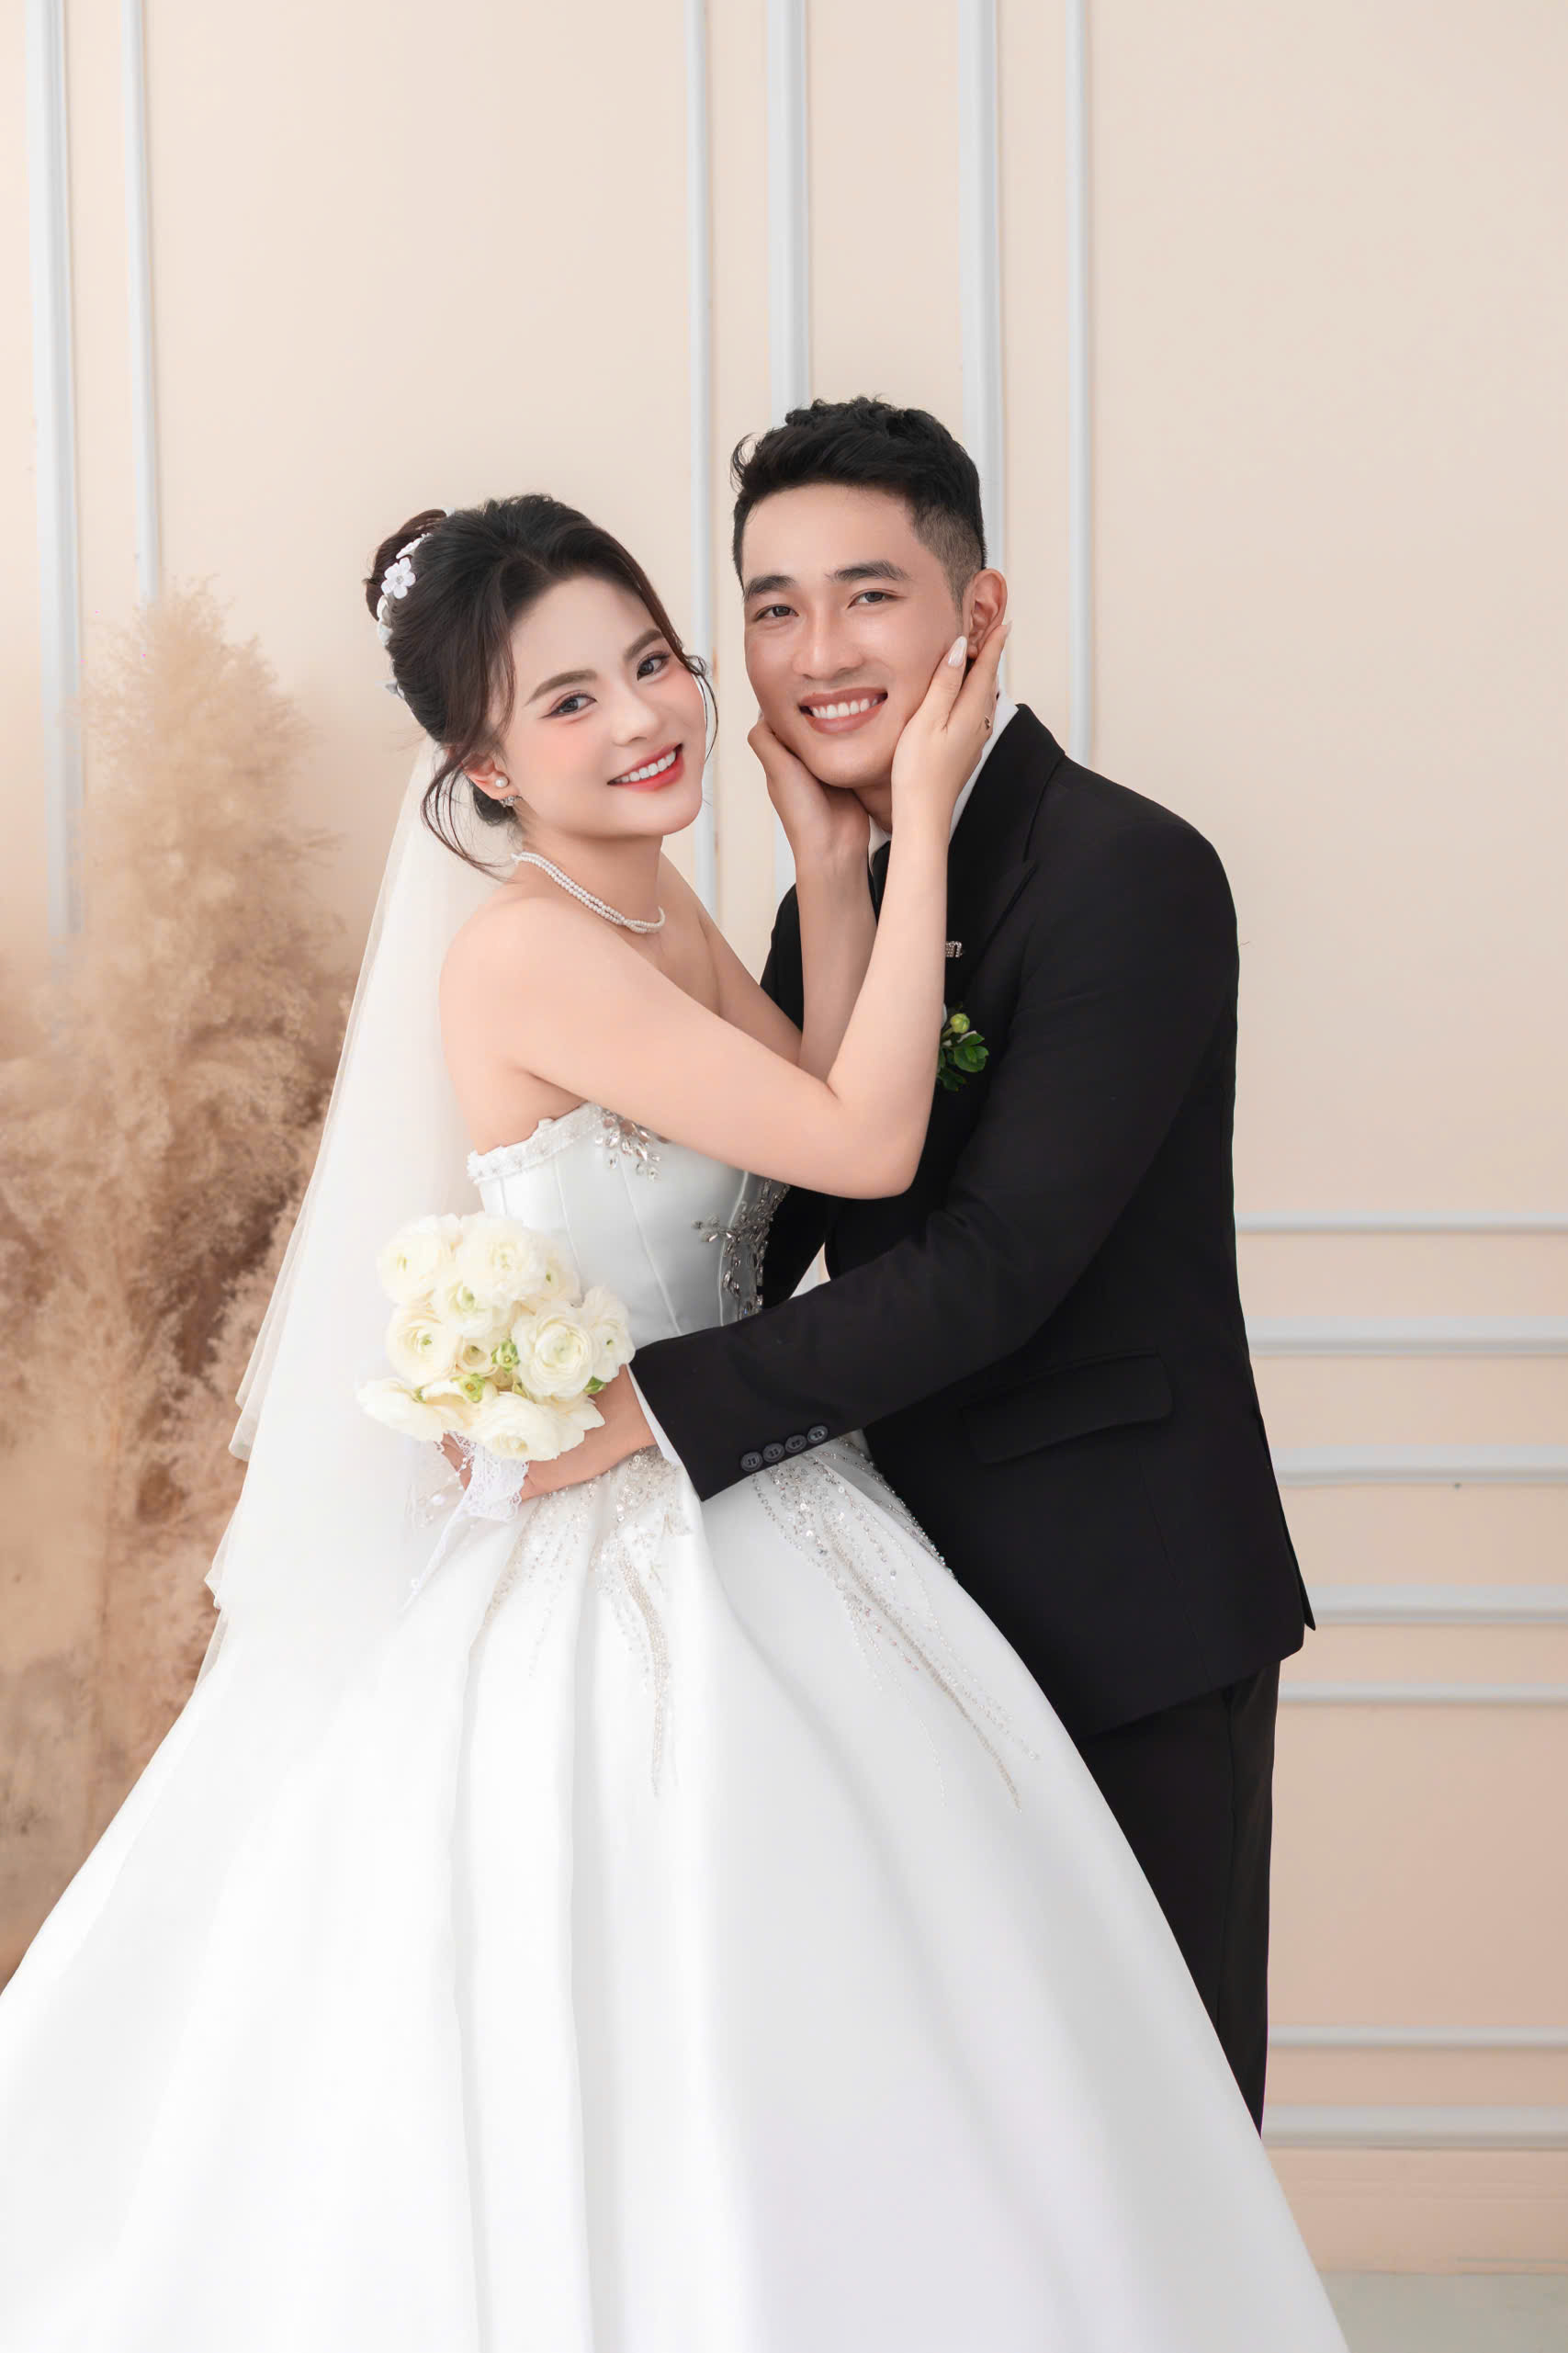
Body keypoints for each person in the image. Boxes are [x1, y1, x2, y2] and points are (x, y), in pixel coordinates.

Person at [0, 492, 1343, 2350]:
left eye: (651, 661)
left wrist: (836, 868)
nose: (643, 717)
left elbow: (818, 1129)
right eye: (569, 702)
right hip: (629, 1515)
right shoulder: (528, 950)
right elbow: (869, 1137)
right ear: (482, 764)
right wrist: (917, 810)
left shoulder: (652, 904)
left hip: (761, 1482)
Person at [527, 399, 1314, 2132]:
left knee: (1150, 2134)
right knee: (969, 2150)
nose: (818, 654)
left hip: (1119, 1600)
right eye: (774, 607)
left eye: (868, 595)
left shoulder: (1128, 870)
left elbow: (996, 1266)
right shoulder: (843, 885)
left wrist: (641, 1409)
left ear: (981, 611)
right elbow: (758, 1215)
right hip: (892, 1606)